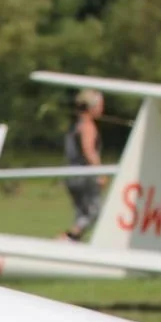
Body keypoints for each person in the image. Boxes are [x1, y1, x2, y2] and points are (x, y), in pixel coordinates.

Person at [62, 88, 107, 241]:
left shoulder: (76, 125)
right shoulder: (88, 126)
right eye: (100, 105)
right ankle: (64, 241)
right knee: (93, 214)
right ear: (92, 107)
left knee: (82, 216)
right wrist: (100, 173)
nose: (102, 108)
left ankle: (69, 243)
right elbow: (89, 151)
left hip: (71, 175)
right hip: (84, 177)